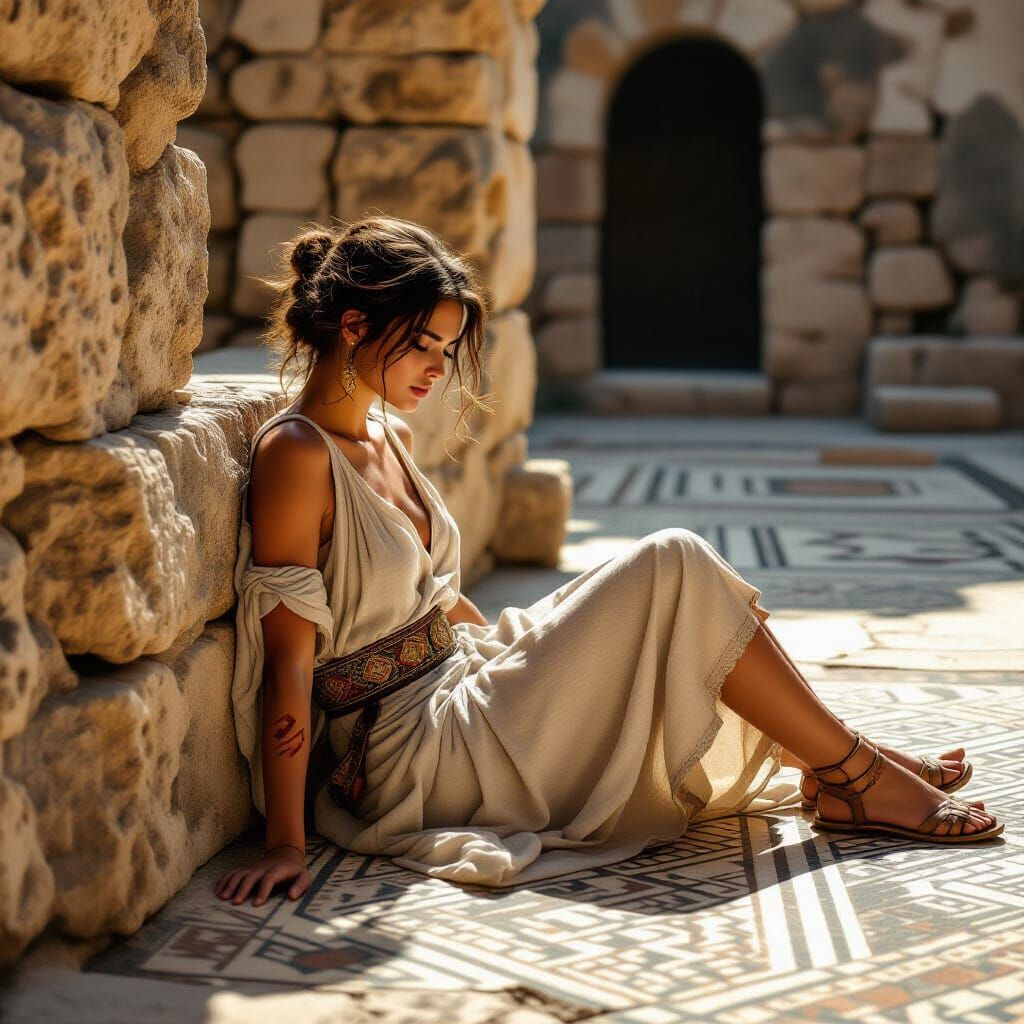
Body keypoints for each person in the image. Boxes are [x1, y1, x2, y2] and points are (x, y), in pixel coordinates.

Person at [216, 215, 1002, 909]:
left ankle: (841, 761)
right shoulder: (296, 455)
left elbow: (439, 601)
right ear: (354, 324)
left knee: (676, 601)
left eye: (447, 349)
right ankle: (856, 773)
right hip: (407, 751)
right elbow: (289, 663)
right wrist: (286, 841)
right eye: (422, 344)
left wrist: (525, 662)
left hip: (457, 675)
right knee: (673, 562)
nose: (438, 368)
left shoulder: (389, 435)